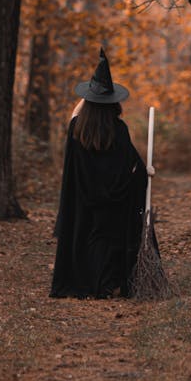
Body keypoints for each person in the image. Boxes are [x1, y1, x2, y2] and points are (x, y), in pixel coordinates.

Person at [50, 49, 152, 299]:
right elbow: (133, 166)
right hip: (114, 202)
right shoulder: (118, 129)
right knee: (109, 237)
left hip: (84, 200)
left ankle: (93, 282)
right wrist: (146, 172)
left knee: (91, 236)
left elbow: (76, 113)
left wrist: (90, 95)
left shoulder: (77, 128)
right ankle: (109, 283)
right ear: (113, 101)